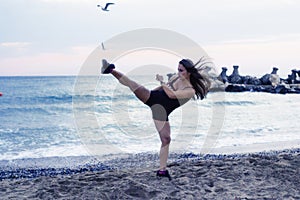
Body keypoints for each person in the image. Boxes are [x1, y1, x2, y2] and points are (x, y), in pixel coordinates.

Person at [101, 58, 211, 180]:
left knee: (166, 139)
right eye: (178, 69)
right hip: (154, 99)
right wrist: (149, 93)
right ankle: (110, 69)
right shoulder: (177, 78)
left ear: (189, 72)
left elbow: (172, 95)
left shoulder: (190, 90)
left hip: (162, 112)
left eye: (181, 70)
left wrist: (161, 81)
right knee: (131, 84)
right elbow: (164, 88)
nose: (178, 72)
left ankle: (162, 170)